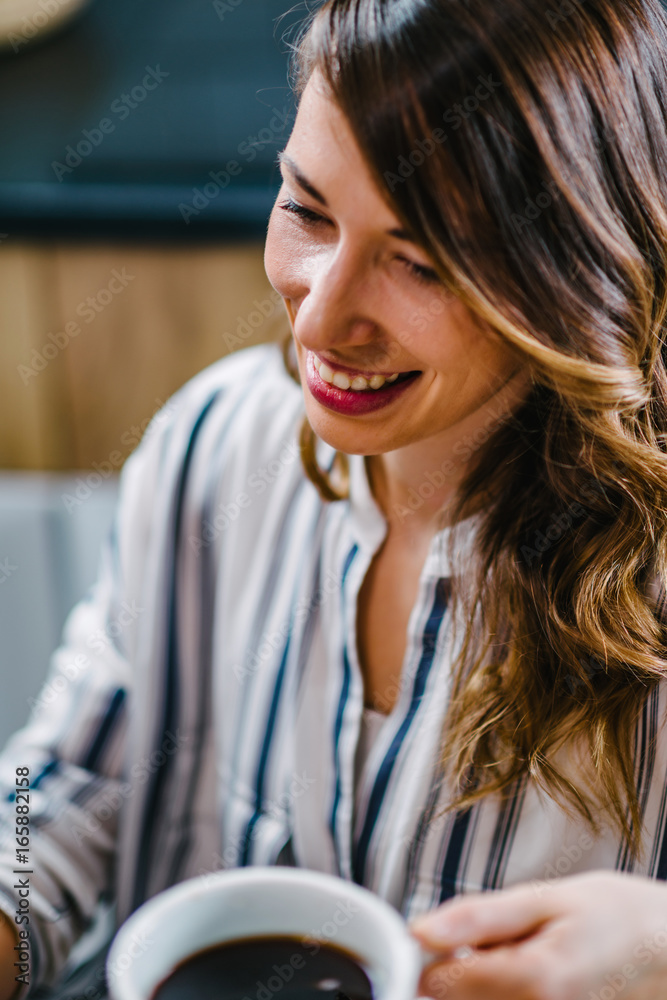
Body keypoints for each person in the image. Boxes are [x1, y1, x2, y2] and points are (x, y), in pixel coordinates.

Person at [2, 0, 667, 997]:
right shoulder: (213, 446)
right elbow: (61, 792)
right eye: (307, 212)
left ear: (573, 276)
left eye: (419, 263)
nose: (318, 317)